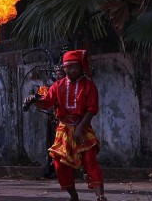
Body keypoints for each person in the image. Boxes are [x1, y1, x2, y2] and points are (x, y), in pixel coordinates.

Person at [25, 50, 107, 201]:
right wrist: (34, 101)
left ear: (81, 67)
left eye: (75, 67)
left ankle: (100, 196)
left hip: (82, 127)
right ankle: (74, 196)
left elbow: (92, 110)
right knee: (59, 164)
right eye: (69, 67)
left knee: (90, 160)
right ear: (64, 68)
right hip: (63, 129)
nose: (72, 70)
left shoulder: (89, 86)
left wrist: (80, 128)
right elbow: (46, 103)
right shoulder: (58, 86)